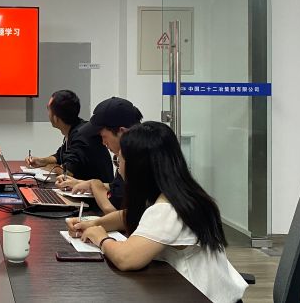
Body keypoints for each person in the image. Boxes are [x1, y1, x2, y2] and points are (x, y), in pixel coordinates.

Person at [66, 121, 247, 303]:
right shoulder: (178, 194)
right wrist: (93, 223)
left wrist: (101, 238)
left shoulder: (168, 209)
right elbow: (126, 216)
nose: (119, 168)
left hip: (201, 297)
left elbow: (126, 258)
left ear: (138, 167)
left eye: (119, 160)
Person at [55, 97, 143, 214]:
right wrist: (81, 183)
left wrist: (94, 183)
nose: (103, 142)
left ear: (122, 132)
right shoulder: (132, 153)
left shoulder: (140, 160)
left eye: (104, 136)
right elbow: (117, 188)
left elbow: (113, 210)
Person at [24, 90, 113, 183]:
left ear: (55, 118)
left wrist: (46, 167)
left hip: (95, 191)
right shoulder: (77, 128)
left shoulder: (81, 136)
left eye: (48, 109)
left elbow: (67, 172)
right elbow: (59, 156)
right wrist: (42, 161)